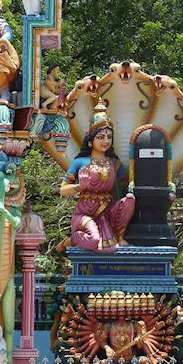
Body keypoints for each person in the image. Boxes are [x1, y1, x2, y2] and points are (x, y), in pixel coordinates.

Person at [57, 100, 135, 253]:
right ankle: (71, 240)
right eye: (100, 137)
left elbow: (127, 182)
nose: (106, 141)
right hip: (85, 213)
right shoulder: (80, 162)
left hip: (107, 211)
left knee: (130, 200)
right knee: (93, 241)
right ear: (91, 140)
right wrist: (79, 186)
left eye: (109, 137)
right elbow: (63, 190)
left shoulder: (115, 163)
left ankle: (119, 236)